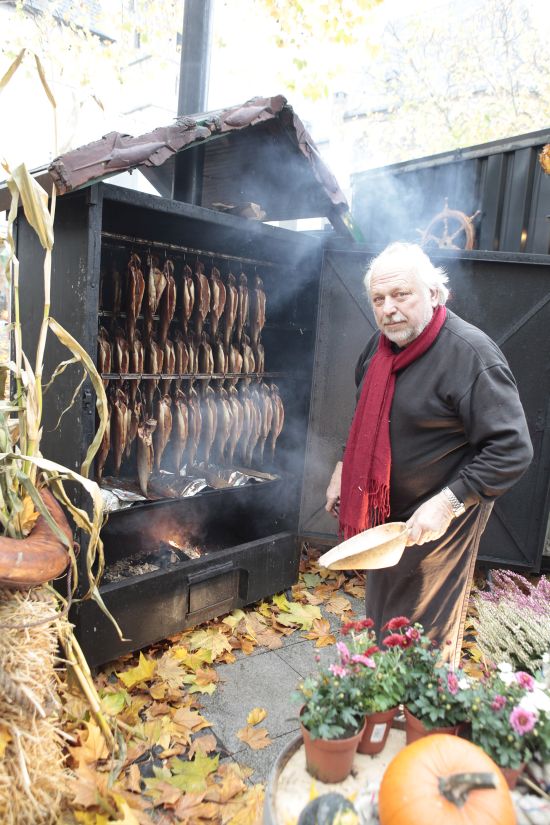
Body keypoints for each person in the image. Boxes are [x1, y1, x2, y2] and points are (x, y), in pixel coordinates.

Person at [325, 242, 533, 666]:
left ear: (435, 293)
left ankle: (424, 702)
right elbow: (365, 417)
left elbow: (512, 448)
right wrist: (344, 468)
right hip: (388, 514)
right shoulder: (380, 348)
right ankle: (385, 692)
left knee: (421, 632)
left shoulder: (470, 354)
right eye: (378, 299)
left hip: (442, 517)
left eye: (401, 294)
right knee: (383, 616)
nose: (388, 309)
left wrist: (447, 503)